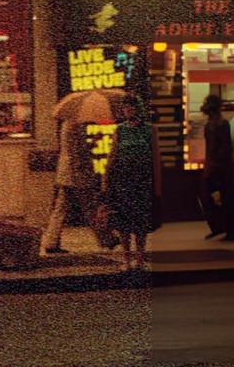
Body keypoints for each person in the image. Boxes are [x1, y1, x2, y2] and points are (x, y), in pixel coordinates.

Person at [104, 96, 155, 272]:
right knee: (123, 222)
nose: (128, 111)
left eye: (131, 107)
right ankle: (126, 258)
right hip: (123, 180)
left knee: (140, 222)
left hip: (141, 180)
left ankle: (140, 258)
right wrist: (106, 177)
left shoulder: (148, 130)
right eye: (125, 108)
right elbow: (113, 154)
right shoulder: (120, 130)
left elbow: (154, 155)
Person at [42, 117, 97, 255]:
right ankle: (106, 238)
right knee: (88, 205)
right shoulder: (75, 125)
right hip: (75, 174)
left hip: (66, 173)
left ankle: (51, 241)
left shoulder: (67, 124)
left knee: (61, 208)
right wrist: (92, 143)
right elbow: (78, 151)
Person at [198, 94, 234, 240]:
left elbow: (213, 149)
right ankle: (229, 230)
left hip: (216, 166)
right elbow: (226, 147)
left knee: (206, 196)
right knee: (227, 199)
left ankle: (219, 226)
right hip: (225, 167)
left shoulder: (211, 126)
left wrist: (210, 165)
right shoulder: (223, 123)